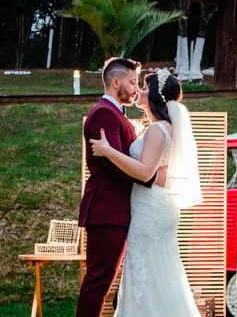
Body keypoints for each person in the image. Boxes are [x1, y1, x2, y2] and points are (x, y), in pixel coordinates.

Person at [90, 70, 203, 317]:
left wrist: (108, 151)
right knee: (160, 272)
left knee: (146, 270)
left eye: (143, 87)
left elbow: (144, 172)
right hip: (159, 207)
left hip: (150, 209)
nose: (138, 91)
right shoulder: (165, 128)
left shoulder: (156, 130)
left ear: (153, 95)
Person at [77, 58, 159, 317]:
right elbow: (111, 162)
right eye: (133, 82)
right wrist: (149, 175)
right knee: (98, 282)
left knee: (104, 282)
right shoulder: (103, 113)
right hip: (107, 211)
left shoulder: (115, 114)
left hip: (117, 211)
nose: (136, 89)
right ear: (115, 82)